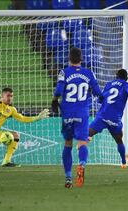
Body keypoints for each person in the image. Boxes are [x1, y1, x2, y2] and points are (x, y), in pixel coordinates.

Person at [52, 47, 102, 188]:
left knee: (68, 143)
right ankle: (82, 165)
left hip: (67, 112)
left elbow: (59, 89)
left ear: (69, 58)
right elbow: (98, 91)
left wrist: (55, 100)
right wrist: (102, 98)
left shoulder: (64, 72)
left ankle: (68, 177)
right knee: (82, 143)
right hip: (82, 112)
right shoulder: (89, 73)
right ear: (81, 59)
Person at [89, 69, 128, 168]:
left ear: (116, 76)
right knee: (119, 140)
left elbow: (101, 98)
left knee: (87, 134)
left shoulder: (109, 84)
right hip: (114, 119)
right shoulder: (126, 85)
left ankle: (81, 155)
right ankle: (124, 162)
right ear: (126, 78)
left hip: (103, 116)